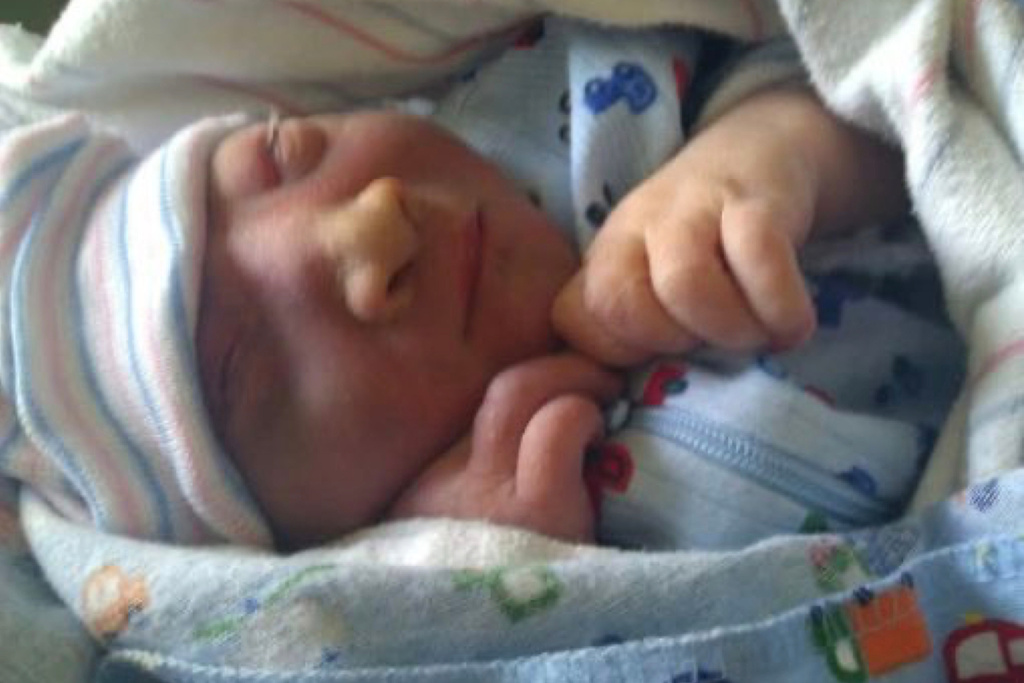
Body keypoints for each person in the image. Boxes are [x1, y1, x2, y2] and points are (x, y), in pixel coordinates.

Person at [0, 19, 962, 552]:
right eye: (241, 361)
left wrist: (758, 156)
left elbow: (863, 56)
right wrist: (492, 573)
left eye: (285, 155)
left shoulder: (555, 95)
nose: (372, 223)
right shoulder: (425, 580)